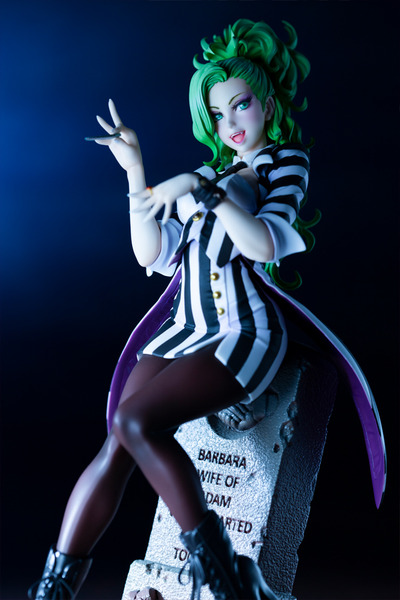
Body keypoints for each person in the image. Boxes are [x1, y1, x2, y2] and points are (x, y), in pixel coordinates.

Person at [30, 19, 385, 600]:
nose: (232, 124)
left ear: (266, 102)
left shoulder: (282, 163)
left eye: (241, 105)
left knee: (134, 422)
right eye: (219, 115)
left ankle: (221, 573)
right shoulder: (209, 174)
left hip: (242, 331)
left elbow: (262, 244)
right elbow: (152, 252)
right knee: (118, 439)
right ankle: (54, 587)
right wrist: (137, 173)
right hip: (183, 329)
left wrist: (206, 192)